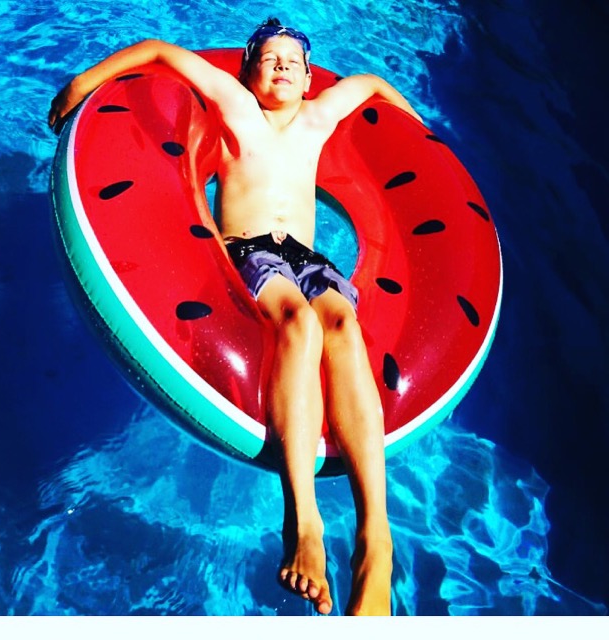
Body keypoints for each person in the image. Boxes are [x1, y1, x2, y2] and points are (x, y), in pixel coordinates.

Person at [48, 18, 422, 616]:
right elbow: (163, 53)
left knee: (342, 326)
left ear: (308, 77)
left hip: (309, 258)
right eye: (269, 58)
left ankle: (376, 538)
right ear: (247, 71)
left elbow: (372, 84)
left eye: (293, 61)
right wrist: (83, 82)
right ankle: (304, 522)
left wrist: (420, 134)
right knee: (297, 324)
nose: (282, 66)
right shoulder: (234, 106)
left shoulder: (318, 117)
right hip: (250, 250)